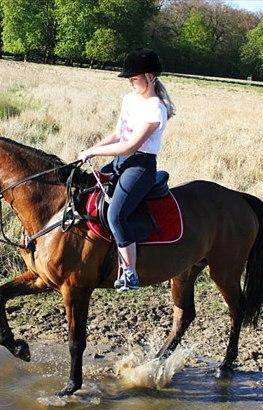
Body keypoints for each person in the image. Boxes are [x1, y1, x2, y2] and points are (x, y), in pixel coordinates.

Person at [77, 48, 176, 291]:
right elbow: (117, 135)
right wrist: (90, 149)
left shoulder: (156, 108)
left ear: (150, 77)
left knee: (116, 215)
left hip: (140, 167)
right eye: (129, 79)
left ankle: (130, 273)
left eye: (134, 78)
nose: (130, 83)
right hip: (120, 161)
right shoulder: (129, 99)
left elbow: (131, 146)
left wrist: (93, 153)